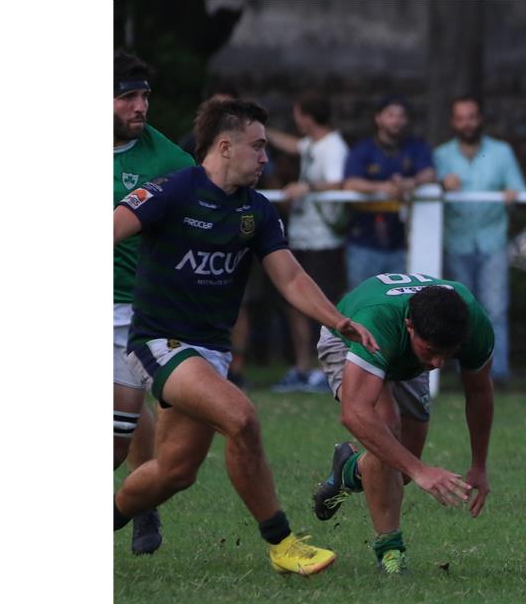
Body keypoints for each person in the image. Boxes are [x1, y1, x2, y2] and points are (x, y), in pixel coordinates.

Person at [112, 98, 378, 576]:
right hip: (159, 342)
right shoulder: (172, 191)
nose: (265, 158)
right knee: (241, 417)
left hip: (209, 351)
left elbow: (291, 277)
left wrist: (337, 320)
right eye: (257, 147)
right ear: (225, 146)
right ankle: (282, 544)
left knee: (174, 472)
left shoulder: (257, 211)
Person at [309, 275, 495, 573]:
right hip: (353, 340)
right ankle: (390, 551)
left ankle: (348, 468)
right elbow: (354, 413)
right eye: (432, 352)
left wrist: (479, 465)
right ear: (410, 326)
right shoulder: (377, 321)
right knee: (386, 432)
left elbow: (479, 391)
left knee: (399, 472)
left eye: (447, 354)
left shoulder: (472, 320)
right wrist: (421, 470)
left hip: (406, 359)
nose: (437, 365)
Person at [113, 51, 195, 555]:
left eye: (144, 95)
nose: (140, 106)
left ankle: (139, 501)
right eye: (127, 96)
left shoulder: (166, 160)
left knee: (117, 428)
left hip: (126, 308)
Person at [433, 95, 526, 385]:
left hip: (492, 241)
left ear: (480, 118)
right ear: (453, 122)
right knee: (460, 311)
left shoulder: (501, 152)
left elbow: (518, 190)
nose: (467, 123)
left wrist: (513, 194)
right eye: (461, 118)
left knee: (495, 309)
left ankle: (497, 373)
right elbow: (425, 191)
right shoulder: (440, 155)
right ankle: (467, 370)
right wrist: (440, 185)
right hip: (456, 241)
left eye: (471, 116)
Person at [265, 92, 351, 393]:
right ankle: (302, 369)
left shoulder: (334, 146)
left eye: (297, 114)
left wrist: (307, 186)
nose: (295, 120)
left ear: (306, 116)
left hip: (323, 242)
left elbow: (339, 182)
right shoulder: (312, 144)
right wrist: (257, 127)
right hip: (302, 237)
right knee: (296, 305)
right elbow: (290, 144)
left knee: (321, 306)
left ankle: (322, 370)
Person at [343, 96, 436, 288]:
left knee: (400, 303)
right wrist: (383, 188)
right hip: (364, 241)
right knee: (363, 302)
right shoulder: (364, 149)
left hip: (402, 242)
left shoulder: (415, 147)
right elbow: (350, 182)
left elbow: (429, 172)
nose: (396, 120)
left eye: (401, 116)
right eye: (390, 115)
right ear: (378, 118)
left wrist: (412, 182)